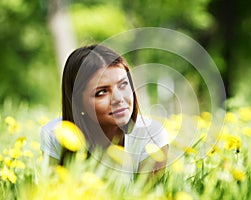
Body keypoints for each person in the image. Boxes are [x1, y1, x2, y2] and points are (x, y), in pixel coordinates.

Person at [40, 44, 169, 180]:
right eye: (101, 92)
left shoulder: (151, 136)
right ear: (77, 102)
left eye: (123, 84)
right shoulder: (56, 135)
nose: (119, 99)